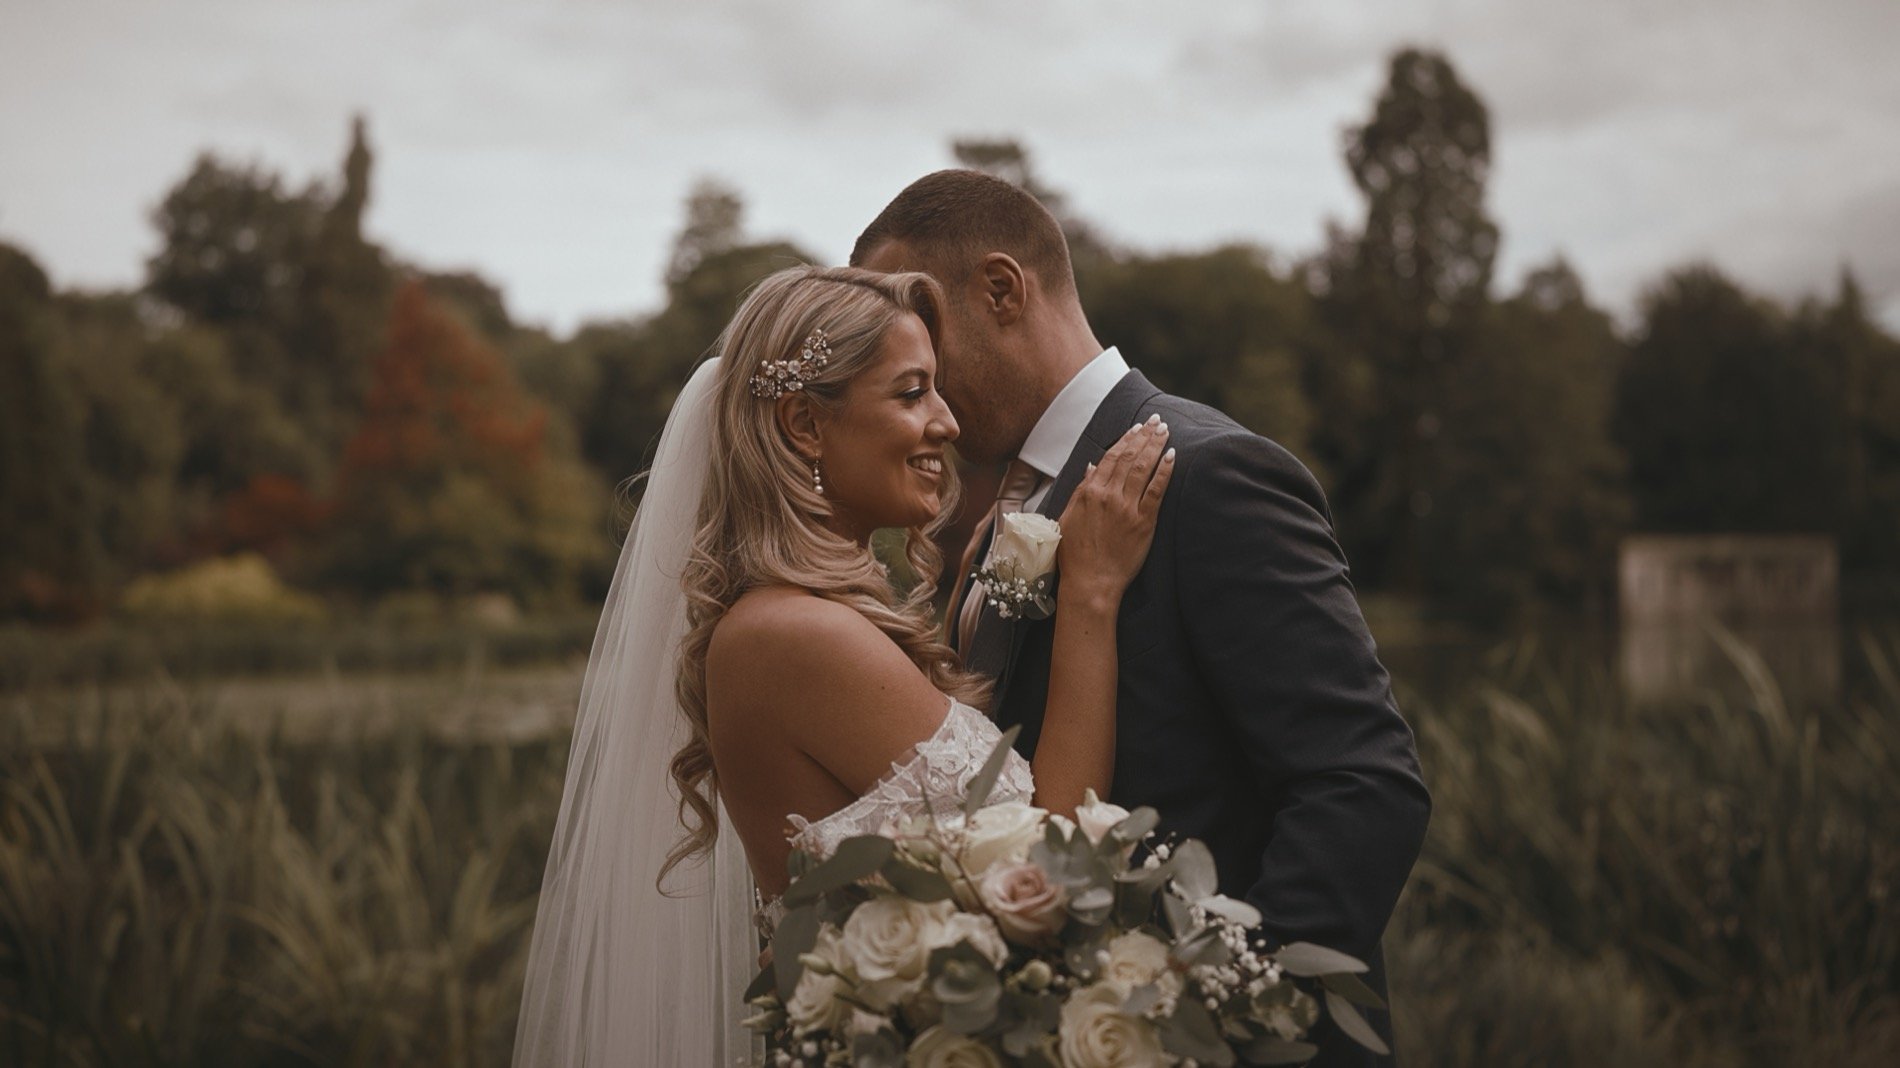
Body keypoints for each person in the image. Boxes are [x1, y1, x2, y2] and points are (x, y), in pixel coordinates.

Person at [512, 265, 1172, 1066]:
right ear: (804, 423)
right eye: (912, 393)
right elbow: (1055, 865)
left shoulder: (800, 621)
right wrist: (1092, 597)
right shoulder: (792, 634)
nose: (948, 422)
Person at [852, 169, 1433, 1067]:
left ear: (1001, 291)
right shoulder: (1000, 512)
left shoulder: (1210, 475)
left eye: (922, 332)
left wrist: (1220, 1011)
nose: (915, 377)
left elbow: (1362, 784)